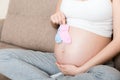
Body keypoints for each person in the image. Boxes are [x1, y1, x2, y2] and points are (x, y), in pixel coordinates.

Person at [0, 0, 120, 80]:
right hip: (56, 63)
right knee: (2, 57)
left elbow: (118, 41)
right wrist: (55, 19)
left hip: (93, 66)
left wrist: (80, 70)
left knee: (111, 76)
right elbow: (56, 24)